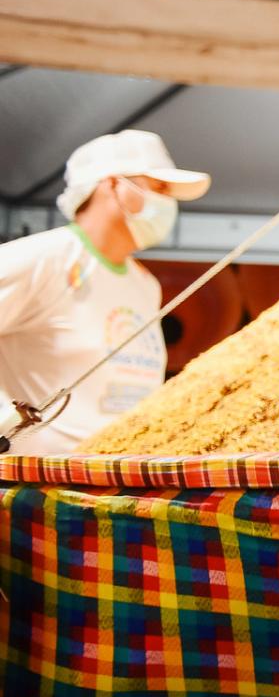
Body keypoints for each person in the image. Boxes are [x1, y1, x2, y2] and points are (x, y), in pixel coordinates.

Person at [0, 129, 209, 454]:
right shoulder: (41, 259)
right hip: (29, 492)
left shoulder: (144, 285)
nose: (168, 203)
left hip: (115, 488)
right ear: (113, 185)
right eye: (158, 188)